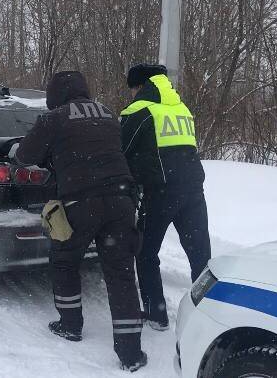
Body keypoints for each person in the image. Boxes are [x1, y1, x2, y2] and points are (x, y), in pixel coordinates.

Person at [14, 71, 148, 372]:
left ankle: (70, 325)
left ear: (55, 96)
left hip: (81, 203)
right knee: (121, 273)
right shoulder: (107, 114)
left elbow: (24, 155)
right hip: (122, 200)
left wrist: (49, 156)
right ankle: (130, 353)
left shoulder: (54, 119)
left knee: (64, 260)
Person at [120, 64, 211, 331]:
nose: (132, 94)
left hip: (160, 193)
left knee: (146, 252)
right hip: (194, 191)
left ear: (139, 86)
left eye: (133, 88)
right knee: (201, 256)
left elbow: (121, 150)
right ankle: (207, 314)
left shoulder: (138, 111)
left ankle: (156, 314)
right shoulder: (182, 109)